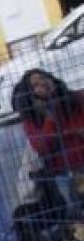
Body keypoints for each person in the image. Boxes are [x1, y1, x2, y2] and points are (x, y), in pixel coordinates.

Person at [13, 68, 84, 218]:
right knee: (72, 209)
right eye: (36, 84)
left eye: (44, 78)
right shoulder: (33, 117)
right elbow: (42, 146)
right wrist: (49, 117)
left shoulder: (75, 99)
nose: (43, 84)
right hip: (62, 172)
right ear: (31, 94)